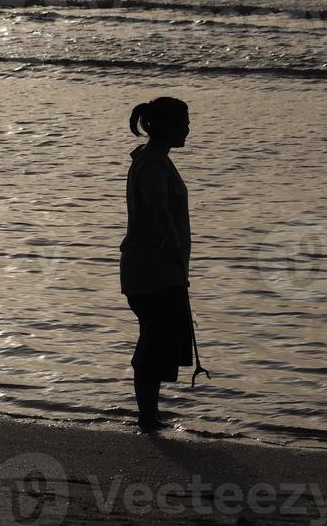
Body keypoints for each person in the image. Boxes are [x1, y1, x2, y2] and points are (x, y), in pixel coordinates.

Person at [120, 97, 193, 432]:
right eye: (183, 123)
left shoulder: (156, 160)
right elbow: (158, 209)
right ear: (166, 127)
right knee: (153, 337)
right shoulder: (151, 164)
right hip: (151, 265)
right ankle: (147, 416)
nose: (188, 129)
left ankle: (150, 414)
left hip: (158, 265)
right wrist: (174, 246)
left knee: (159, 336)